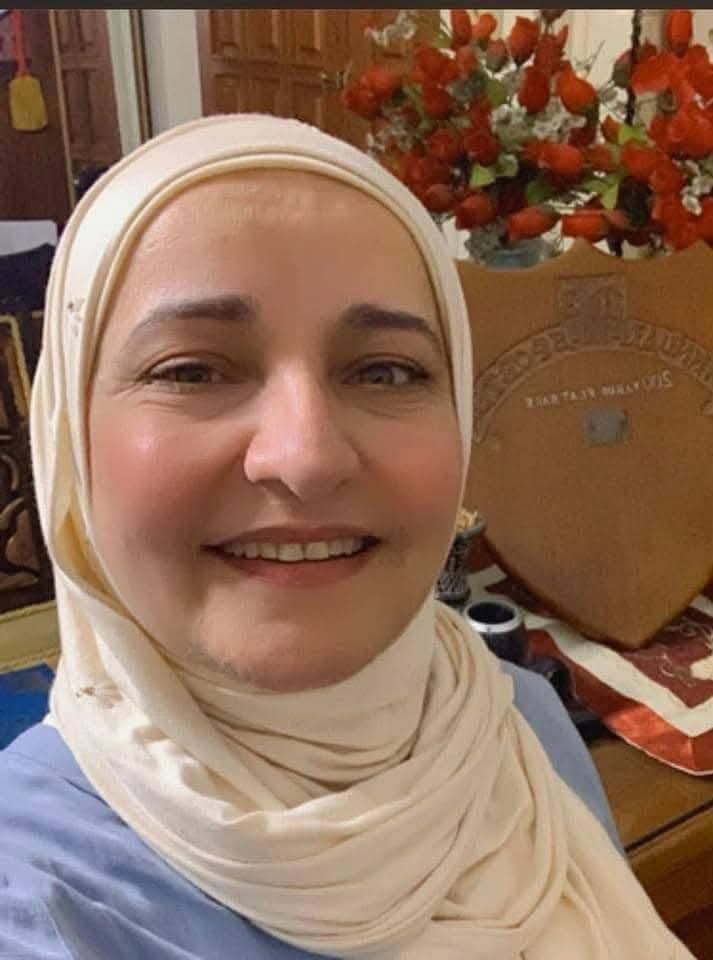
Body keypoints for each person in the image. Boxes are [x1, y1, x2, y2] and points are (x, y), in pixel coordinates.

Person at [0, 114, 692, 959]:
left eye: (385, 370)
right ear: (69, 440)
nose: (305, 457)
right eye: (192, 370)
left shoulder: (513, 720)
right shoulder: (37, 902)